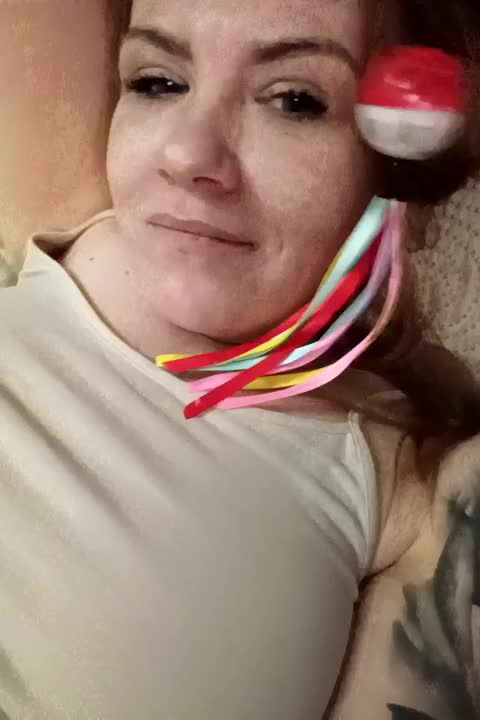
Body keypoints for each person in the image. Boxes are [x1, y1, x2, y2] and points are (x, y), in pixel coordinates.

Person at [0, 1, 479, 718]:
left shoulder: (426, 494)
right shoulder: (44, 223)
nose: (188, 155)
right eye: (158, 82)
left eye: (294, 100)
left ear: (395, 158)